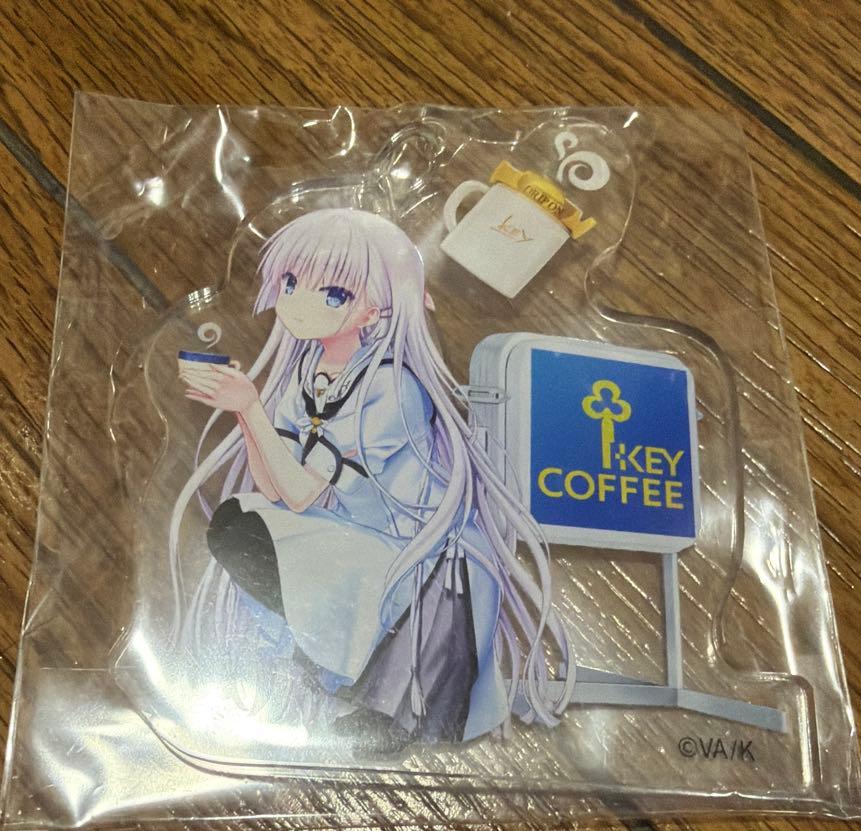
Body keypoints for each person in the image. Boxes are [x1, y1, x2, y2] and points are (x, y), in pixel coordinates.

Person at [170, 208, 570, 746]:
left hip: (416, 558)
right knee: (235, 524)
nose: (299, 304)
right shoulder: (305, 376)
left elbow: (302, 492)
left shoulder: (393, 388)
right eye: (290, 284)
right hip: (346, 538)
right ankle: (323, 651)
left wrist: (250, 408)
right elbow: (277, 490)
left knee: (251, 530)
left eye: (334, 295)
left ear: (376, 308)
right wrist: (248, 415)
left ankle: (356, 670)